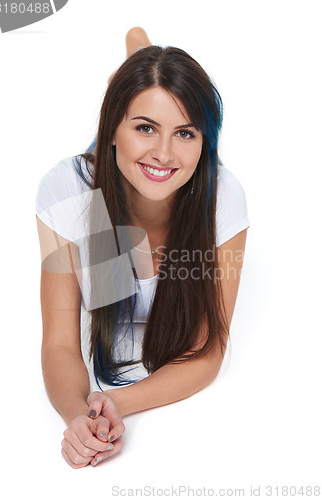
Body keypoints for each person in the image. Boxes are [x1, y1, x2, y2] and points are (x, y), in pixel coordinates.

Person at [36, 27, 250, 469]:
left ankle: (142, 57)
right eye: (145, 127)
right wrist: (78, 414)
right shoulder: (68, 191)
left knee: (155, 142)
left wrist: (114, 403)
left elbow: (209, 351)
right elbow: (59, 343)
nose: (165, 153)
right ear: (111, 129)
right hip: (105, 189)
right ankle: (137, 54)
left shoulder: (223, 197)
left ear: (204, 142)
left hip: (184, 193)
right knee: (109, 213)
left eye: (186, 133)